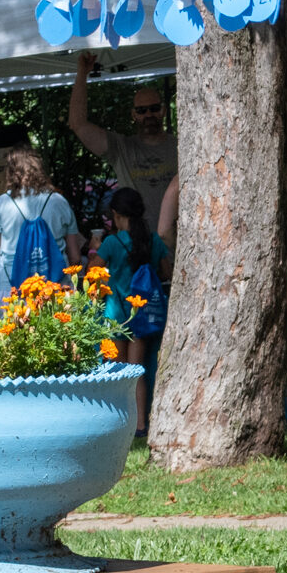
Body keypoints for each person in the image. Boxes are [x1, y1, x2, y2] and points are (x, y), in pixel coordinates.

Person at [96, 187, 172, 436]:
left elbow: (92, 270)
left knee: (119, 374)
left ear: (116, 214)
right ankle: (141, 424)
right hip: (142, 316)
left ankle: (121, 424)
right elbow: (165, 272)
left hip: (117, 316)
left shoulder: (111, 243)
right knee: (137, 370)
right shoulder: (152, 240)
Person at [68, 52, 177, 216]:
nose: (148, 115)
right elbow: (78, 124)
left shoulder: (181, 147)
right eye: (141, 110)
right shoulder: (121, 148)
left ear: (163, 111)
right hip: (135, 241)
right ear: (134, 115)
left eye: (154, 108)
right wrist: (82, 72)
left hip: (176, 240)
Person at [0, 146, 82, 307]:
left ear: (11, 172)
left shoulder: (1, 204)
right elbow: (75, 257)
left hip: (12, 288)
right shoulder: (59, 201)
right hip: (56, 288)